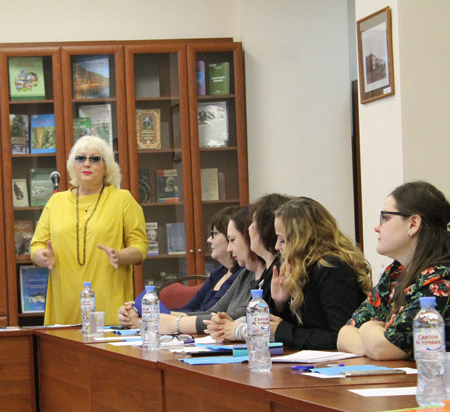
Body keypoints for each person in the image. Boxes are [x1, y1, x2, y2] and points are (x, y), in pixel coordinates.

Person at [338, 181, 450, 371]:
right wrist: (373, 341)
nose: (377, 227)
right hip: (418, 380)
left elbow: (384, 348)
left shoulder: (449, 278)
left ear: (413, 224)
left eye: (385, 218)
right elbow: (344, 335)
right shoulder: (395, 273)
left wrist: (368, 328)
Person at [30, 135, 147, 325]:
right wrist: (41, 256)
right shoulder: (56, 202)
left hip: (109, 308)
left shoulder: (122, 199)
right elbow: (36, 245)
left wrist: (120, 255)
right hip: (65, 306)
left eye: (95, 159)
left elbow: (140, 247)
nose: (87, 164)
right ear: (72, 165)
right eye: (80, 158)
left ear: (106, 167)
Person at [118, 206, 259, 335]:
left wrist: (165, 321)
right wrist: (146, 311)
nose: (209, 240)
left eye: (215, 234)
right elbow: (204, 311)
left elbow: (227, 318)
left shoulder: (245, 273)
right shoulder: (224, 273)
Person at [258, 197, 371, 349]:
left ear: (302, 239)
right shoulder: (301, 268)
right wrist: (280, 304)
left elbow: (339, 337)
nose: (277, 247)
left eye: (282, 240)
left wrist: (282, 330)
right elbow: (298, 329)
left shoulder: (332, 268)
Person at [203, 193, 291, 340]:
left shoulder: (279, 267)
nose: (249, 229)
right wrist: (233, 325)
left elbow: (274, 326)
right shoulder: (268, 269)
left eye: (253, 224)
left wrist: (236, 328)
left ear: (266, 230)